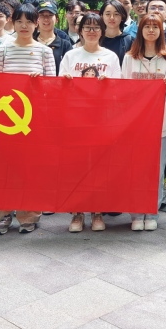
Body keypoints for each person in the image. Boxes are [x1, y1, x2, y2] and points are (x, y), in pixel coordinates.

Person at [0, 4, 56, 235]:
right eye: (19, 21)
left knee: (31, 167)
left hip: (34, 119)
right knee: (3, 167)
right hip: (7, 120)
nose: (24, 26)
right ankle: (1, 216)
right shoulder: (3, 50)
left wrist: (40, 83)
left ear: (36, 24)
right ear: (13, 23)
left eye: (29, 21)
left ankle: (29, 215)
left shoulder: (44, 52)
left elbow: (52, 86)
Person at [59, 12, 121, 233]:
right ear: (80, 31)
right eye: (87, 27)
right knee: (76, 166)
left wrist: (108, 84)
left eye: (96, 28)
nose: (92, 31)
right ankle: (77, 212)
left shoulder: (110, 57)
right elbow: (59, 88)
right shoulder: (71, 56)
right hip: (76, 120)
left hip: (101, 120)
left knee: (99, 166)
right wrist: (66, 82)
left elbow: (119, 90)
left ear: (102, 31)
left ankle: (97, 211)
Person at [121, 14, 166, 232]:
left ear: (161, 31)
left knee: (156, 170)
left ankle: (152, 212)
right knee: (135, 170)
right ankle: (136, 214)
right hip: (134, 124)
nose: (151, 30)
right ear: (140, 30)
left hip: (159, 124)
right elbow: (123, 92)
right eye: (147, 26)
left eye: (155, 26)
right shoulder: (129, 58)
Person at [34, 1, 72, 71]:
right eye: (41, 15)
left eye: (50, 15)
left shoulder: (65, 45)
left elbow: (71, 68)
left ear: (56, 19)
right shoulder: (30, 42)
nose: (46, 19)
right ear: (37, 19)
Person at [99, 0, 134, 64]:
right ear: (101, 16)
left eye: (116, 14)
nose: (112, 17)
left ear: (122, 17)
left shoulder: (129, 41)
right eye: (108, 14)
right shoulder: (96, 39)